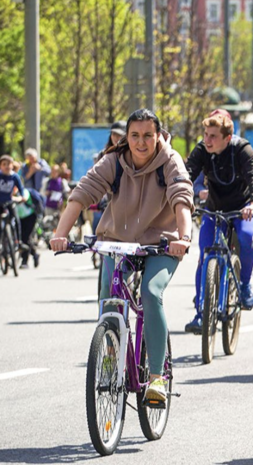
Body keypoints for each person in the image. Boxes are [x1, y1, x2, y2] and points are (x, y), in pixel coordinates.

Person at [50, 109, 193, 402]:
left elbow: (182, 199)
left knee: (152, 293)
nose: (141, 142)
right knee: (108, 292)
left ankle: (156, 378)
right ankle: (111, 353)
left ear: (159, 136)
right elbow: (81, 194)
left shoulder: (170, 161)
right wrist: (60, 234)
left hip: (162, 243)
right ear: (126, 137)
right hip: (119, 241)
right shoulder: (113, 161)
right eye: (135, 135)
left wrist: (184, 237)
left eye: (148, 136)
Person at [184, 109, 253, 333]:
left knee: (247, 237)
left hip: (243, 208)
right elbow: (187, 173)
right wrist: (179, 196)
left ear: (227, 138)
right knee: (205, 255)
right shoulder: (202, 149)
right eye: (206, 134)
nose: (207, 140)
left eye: (213, 136)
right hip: (214, 208)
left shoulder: (242, 149)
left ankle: (245, 284)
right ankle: (201, 313)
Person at [0, 155, 26, 245]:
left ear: (12, 165)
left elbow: (21, 188)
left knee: (15, 219)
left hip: (9, 201)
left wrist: (22, 197)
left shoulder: (14, 177)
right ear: (1, 166)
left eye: (9, 164)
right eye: (4, 164)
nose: (7, 166)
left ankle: (18, 241)